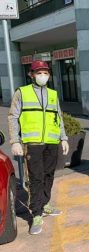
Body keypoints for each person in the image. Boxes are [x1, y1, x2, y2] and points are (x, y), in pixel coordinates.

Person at [8, 60, 69, 235]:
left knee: (49, 174)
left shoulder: (52, 94)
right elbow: (13, 117)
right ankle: (36, 213)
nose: (43, 76)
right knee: (35, 178)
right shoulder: (22, 92)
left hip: (51, 143)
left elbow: (58, 117)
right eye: (39, 73)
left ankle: (46, 203)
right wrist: (15, 141)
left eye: (45, 73)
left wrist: (63, 138)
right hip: (33, 144)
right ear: (31, 74)